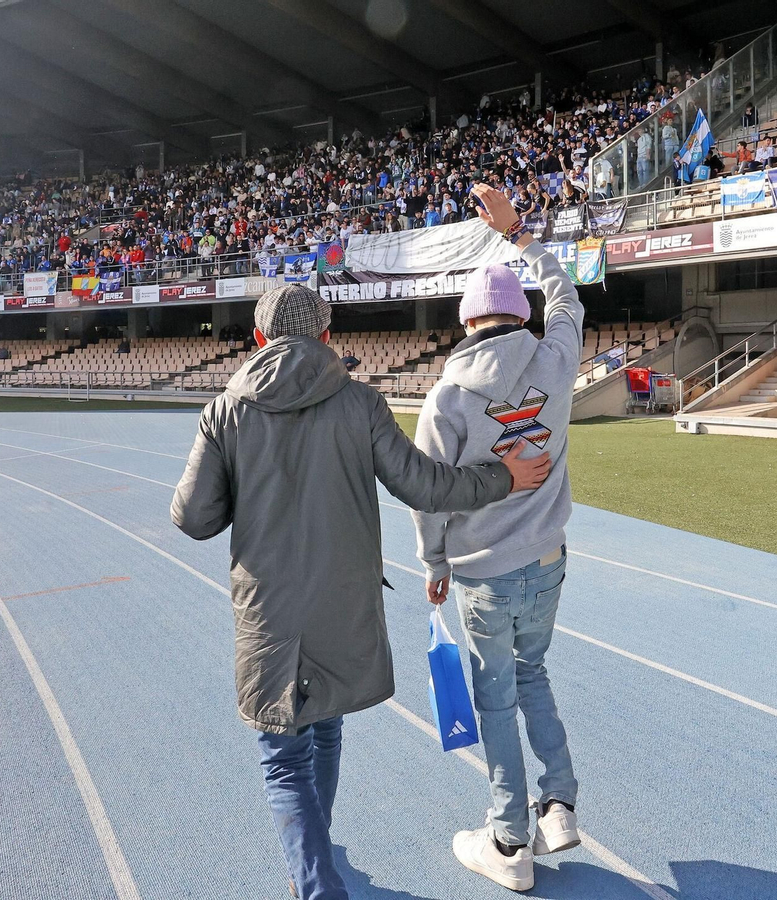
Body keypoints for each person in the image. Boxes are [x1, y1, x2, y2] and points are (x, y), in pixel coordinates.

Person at [170, 283, 551, 900]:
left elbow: (193, 518)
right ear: (326, 337)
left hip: (269, 613)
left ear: (260, 338)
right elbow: (426, 486)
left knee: (282, 757)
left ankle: (317, 884)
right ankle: (315, 850)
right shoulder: (360, 404)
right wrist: (503, 476)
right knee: (324, 728)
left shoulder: (226, 410)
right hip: (344, 606)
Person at [412, 183, 583, 893]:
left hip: (482, 571)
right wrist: (517, 235)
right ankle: (561, 804)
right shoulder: (556, 357)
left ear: (467, 320)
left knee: (495, 699)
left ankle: (510, 838)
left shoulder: (447, 397)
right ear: (520, 313)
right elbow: (567, 294)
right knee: (534, 673)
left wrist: (433, 561)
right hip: (548, 561)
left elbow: (429, 495)